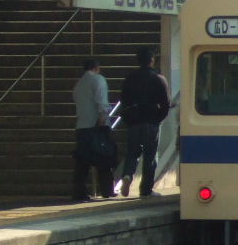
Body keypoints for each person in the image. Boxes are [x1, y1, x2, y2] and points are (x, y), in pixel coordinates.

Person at [119, 46, 171, 197]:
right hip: (151, 120)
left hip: (134, 120)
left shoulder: (130, 78)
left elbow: (123, 101)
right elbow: (166, 104)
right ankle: (146, 189)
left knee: (132, 153)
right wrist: (158, 118)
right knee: (150, 156)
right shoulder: (159, 79)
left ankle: (127, 175)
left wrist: (128, 118)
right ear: (152, 60)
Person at [71, 59, 113, 201]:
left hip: (81, 126)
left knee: (82, 162)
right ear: (97, 68)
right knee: (104, 158)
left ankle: (79, 191)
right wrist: (103, 117)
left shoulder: (78, 84)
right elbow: (101, 100)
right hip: (97, 125)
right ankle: (106, 189)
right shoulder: (98, 80)